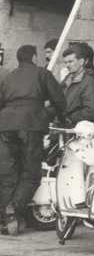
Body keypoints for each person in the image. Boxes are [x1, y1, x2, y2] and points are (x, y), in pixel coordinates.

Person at [0, 44, 66, 235]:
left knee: (9, 173)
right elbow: (59, 100)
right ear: (34, 57)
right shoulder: (42, 73)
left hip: (5, 126)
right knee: (31, 172)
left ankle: (7, 217)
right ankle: (13, 209)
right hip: (31, 125)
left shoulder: (8, 77)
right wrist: (61, 116)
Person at [61, 41, 94, 125]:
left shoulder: (89, 81)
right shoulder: (68, 78)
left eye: (70, 61)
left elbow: (92, 110)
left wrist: (70, 118)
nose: (67, 65)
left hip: (76, 127)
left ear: (81, 61)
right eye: (66, 62)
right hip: (63, 124)